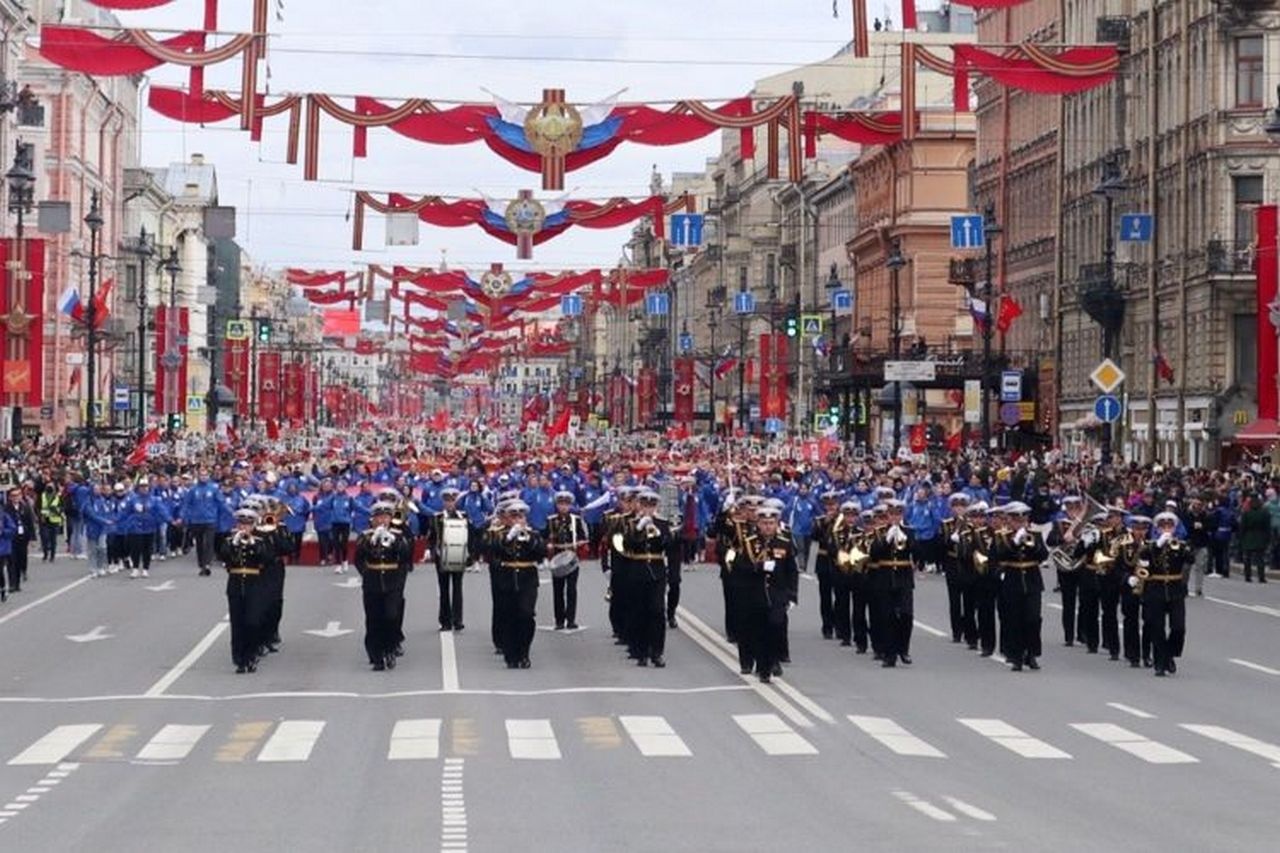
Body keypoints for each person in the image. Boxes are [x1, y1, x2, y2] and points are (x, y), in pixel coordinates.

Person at [729, 505, 797, 683]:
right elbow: (739, 567)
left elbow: (792, 571)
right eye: (764, 523)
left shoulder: (784, 542)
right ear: (758, 524)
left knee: (775, 626)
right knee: (759, 631)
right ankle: (764, 668)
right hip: (755, 593)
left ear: (776, 524)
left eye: (771, 523)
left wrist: (792, 595)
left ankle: (773, 659)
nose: (768, 527)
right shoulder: (749, 542)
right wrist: (758, 567)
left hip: (777, 593)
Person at [353, 501, 413, 671]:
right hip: (372, 582)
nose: (382, 521)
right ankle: (376, 656)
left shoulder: (397, 535)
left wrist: (395, 542)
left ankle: (390, 648)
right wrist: (370, 544)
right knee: (373, 620)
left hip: (392, 582)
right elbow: (358, 559)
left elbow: (406, 556)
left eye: (385, 517)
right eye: (379, 517)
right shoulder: (365, 536)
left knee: (391, 616)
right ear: (373, 519)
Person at [991, 503, 1048, 672]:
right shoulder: (1001, 536)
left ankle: (1031, 653)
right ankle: (1016, 657)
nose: (1020, 524)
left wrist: (1033, 545)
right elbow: (998, 556)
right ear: (1009, 521)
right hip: (1012, 580)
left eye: (1023, 520)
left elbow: (1043, 555)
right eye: (1016, 521)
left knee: (1033, 619)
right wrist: (1014, 543)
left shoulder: (1035, 535)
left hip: (1032, 580)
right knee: (1014, 620)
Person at [486, 500, 543, 669]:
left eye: (521, 516)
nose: (518, 519)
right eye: (514, 516)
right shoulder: (500, 534)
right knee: (509, 616)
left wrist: (527, 539)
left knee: (526, 615)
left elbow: (540, 552)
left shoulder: (533, 534)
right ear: (508, 518)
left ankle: (524, 652)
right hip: (507, 577)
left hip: (528, 578)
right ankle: (511, 655)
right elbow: (493, 549)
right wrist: (509, 537)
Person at [217, 507, 272, 674]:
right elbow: (224, 557)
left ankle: (252, 655)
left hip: (254, 584)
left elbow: (266, 559)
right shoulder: (229, 541)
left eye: (247, 525)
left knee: (252, 621)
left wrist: (253, 543)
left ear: (253, 525)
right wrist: (234, 543)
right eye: (241, 524)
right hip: (235, 583)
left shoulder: (260, 541)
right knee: (237, 623)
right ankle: (239, 659)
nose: (244, 528)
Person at [622, 490, 671, 667]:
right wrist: (638, 528)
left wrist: (659, 534)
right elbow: (626, 546)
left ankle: (657, 652)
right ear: (640, 506)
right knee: (639, 612)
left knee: (657, 611)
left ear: (655, 507)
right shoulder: (632, 523)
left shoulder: (662, 524)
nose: (648, 510)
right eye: (645, 506)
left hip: (657, 571)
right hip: (638, 570)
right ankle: (641, 652)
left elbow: (670, 545)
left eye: (651, 506)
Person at [1141, 512, 1192, 676]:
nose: (1167, 529)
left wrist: (1180, 546)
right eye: (1163, 526)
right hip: (1155, 589)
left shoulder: (1181, 545)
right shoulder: (1150, 545)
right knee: (1157, 628)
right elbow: (1143, 557)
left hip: (1176, 590)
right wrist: (1158, 545)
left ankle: (1169, 654)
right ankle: (1159, 664)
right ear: (1158, 529)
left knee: (1178, 628)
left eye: (1170, 526)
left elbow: (1191, 559)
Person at [867, 499, 915, 668]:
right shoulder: (879, 532)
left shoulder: (909, 531)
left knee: (906, 615)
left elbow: (916, 552)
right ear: (887, 515)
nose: (894, 517)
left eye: (898, 514)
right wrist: (886, 540)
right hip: (885, 577)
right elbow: (873, 554)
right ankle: (890, 654)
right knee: (887, 617)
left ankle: (904, 649)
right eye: (892, 514)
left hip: (904, 577)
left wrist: (906, 538)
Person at [545, 491, 588, 631]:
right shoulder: (551, 520)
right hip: (557, 557)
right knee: (557, 590)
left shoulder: (575, 520)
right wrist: (549, 545)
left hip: (571, 557)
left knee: (571, 589)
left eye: (566, 504)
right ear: (557, 505)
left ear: (570, 505)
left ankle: (571, 619)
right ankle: (559, 620)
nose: (563, 507)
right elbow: (545, 538)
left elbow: (583, 537)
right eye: (560, 504)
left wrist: (578, 544)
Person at [430, 487, 469, 631]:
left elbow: (468, 535)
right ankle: (445, 621)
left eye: (452, 501)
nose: (450, 504)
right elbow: (432, 536)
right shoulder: (437, 517)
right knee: (444, 589)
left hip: (459, 555)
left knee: (458, 588)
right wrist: (433, 550)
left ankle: (457, 620)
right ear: (443, 502)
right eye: (447, 501)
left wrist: (468, 553)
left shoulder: (463, 516)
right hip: (442, 557)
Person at [3, 486, 36, 591]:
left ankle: (19, 578)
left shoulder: (25, 507)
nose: (16, 497)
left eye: (18, 495)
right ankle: (13, 584)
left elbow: (30, 522)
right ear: (9, 497)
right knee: (12, 561)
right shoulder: (6, 509)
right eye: (13, 496)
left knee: (22, 559)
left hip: (23, 537)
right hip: (12, 538)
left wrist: (32, 538)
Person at [1239, 494, 1270, 583]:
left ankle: (1247, 576)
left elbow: (1242, 527)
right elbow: (1267, 527)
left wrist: (1241, 538)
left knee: (1247, 558)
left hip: (1248, 537)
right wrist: (1267, 538)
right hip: (1261, 537)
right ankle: (1261, 577)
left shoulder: (1246, 513)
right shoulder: (1264, 513)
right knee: (1260, 558)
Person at [37, 482, 64, 562]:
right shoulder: (42, 496)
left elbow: (62, 507)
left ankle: (52, 555)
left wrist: (57, 511)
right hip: (44, 520)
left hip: (54, 520)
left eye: (51, 487)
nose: (49, 488)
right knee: (44, 538)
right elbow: (37, 507)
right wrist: (40, 516)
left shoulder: (58, 497)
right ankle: (45, 554)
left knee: (53, 539)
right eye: (48, 486)